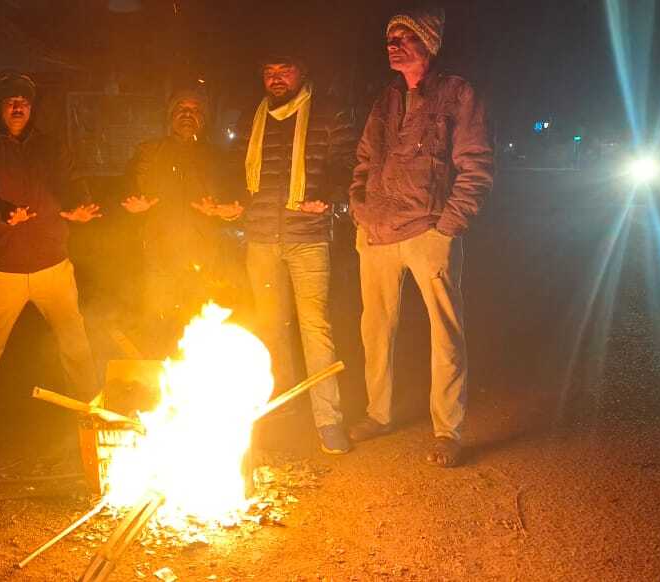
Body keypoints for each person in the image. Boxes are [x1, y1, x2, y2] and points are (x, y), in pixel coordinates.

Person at [347, 8, 494, 467]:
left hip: (429, 230)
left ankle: (447, 431)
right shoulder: (386, 99)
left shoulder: (457, 93)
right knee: (375, 330)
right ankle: (378, 413)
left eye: (403, 36)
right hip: (376, 231)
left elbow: (476, 164)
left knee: (445, 334)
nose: (392, 45)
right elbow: (364, 159)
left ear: (428, 42)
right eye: (389, 38)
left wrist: (448, 224)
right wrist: (359, 209)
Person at [0, 70, 102, 439]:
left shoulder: (51, 147)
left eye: (24, 102)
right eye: (11, 101)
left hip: (52, 262)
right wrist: (1, 212)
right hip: (3, 265)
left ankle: (89, 407)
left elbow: (71, 182)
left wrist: (78, 206)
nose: (18, 107)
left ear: (32, 108)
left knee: (74, 340)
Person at [220, 51, 357, 454]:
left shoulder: (328, 115)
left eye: (285, 70)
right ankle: (283, 412)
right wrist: (232, 201)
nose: (276, 78)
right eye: (269, 71)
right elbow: (237, 171)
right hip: (261, 238)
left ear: (302, 71)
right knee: (271, 329)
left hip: (308, 237)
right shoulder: (252, 119)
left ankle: (329, 420)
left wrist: (328, 195)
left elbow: (348, 165)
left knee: (316, 330)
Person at [121, 88, 236, 354]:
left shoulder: (217, 157)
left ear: (204, 118)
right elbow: (129, 186)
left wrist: (227, 210)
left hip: (205, 257)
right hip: (160, 254)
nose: (187, 114)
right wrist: (133, 202)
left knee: (200, 324)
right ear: (171, 116)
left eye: (195, 110)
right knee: (159, 322)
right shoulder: (150, 151)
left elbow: (233, 197)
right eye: (181, 109)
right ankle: (159, 373)